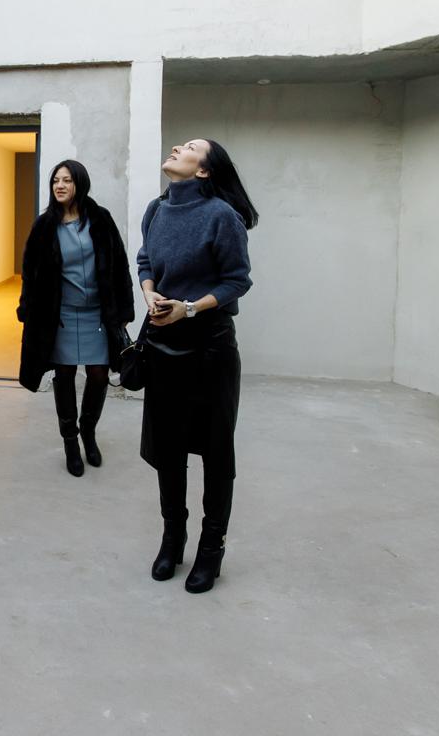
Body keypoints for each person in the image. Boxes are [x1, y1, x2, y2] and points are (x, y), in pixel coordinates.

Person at [137, 137, 257, 594]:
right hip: (164, 346)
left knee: (215, 451)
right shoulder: (157, 209)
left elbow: (236, 281)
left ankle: (211, 549)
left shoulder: (222, 216)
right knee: (169, 449)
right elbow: (145, 260)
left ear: (204, 170)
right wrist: (150, 294)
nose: (176, 147)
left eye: (189, 146)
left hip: (210, 349)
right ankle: (173, 538)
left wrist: (187, 308)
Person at [17, 160, 134, 477]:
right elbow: (30, 273)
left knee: (98, 374)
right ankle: (70, 440)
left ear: (79, 184)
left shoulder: (100, 219)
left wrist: (123, 311)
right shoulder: (44, 226)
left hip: (98, 313)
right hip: (61, 315)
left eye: (67, 180)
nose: (60, 185)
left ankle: (88, 431)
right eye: (56, 180)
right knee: (65, 374)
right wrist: (27, 310)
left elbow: (119, 265)